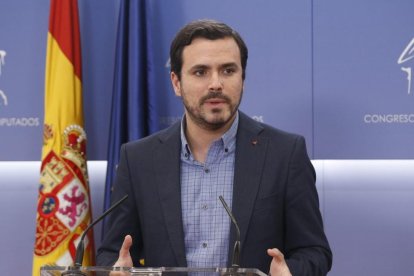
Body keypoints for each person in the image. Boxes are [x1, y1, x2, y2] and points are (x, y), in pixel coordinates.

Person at [97, 19, 332, 275]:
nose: (216, 84)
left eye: (228, 70)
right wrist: (116, 270)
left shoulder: (285, 154)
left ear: (243, 78)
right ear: (176, 82)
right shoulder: (138, 159)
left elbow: (314, 252)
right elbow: (112, 252)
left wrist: (290, 272)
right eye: (200, 72)